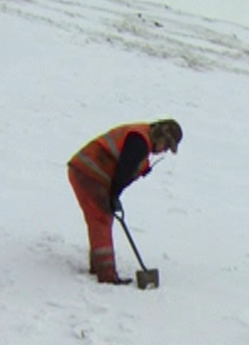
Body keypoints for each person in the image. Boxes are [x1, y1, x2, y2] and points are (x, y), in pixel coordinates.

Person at [67, 119, 182, 284]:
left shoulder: (141, 139)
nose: (163, 150)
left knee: (101, 218)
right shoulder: (139, 142)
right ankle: (106, 274)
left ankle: (98, 266)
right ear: (160, 135)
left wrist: (115, 194)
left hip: (88, 172)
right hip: (89, 172)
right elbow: (123, 171)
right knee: (101, 218)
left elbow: (124, 171)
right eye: (166, 145)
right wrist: (113, 195)